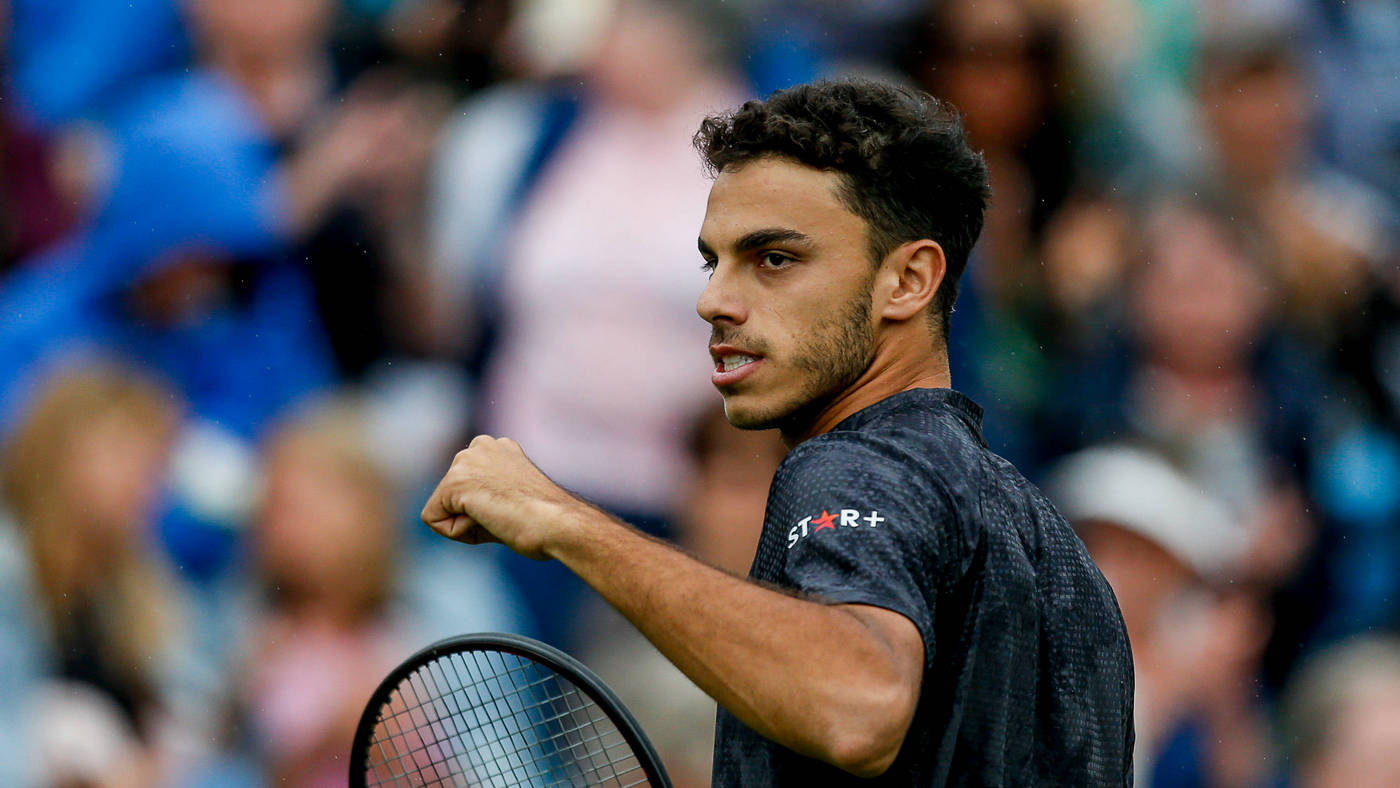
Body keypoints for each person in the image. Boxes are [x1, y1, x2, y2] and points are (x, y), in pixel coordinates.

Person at [420, 78, 1134, 785]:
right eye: (714, 262)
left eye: (774, 259)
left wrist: (563, 520)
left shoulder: (855, 466)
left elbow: (860, 707)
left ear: (909, 280)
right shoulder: (1050, 542)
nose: (713, 300)